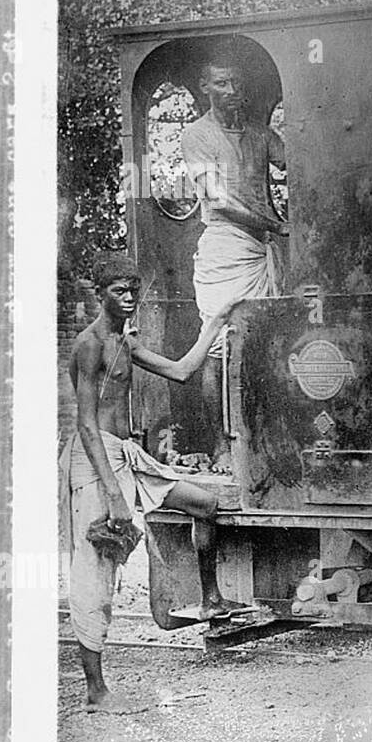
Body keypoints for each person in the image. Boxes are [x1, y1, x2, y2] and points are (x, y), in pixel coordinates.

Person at [61, 253, 245, 714]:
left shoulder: (124, 342)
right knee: (95, 575)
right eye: (117, 291)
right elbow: (85, 425)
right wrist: (111, 495)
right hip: (94, 460)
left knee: (204, 505)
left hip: (126, 454)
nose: (127, 299)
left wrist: (216, 322)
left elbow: (182, 372)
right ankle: (96, 691)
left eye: (131, 290)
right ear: (97, 293)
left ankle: (211, 598)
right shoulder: (89, 344)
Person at [182, 57, 288, 470]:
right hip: (225, 250)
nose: (232, 90)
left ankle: (261, 442)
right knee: (219, 348)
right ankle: (220, 447)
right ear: (205, 87)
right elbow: (218, 200)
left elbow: (295, 159)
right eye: (222, 83)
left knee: (264, 343)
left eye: (236, 83)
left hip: (261, 250)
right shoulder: (196, 135)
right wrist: (275, 224)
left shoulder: (260, 133)